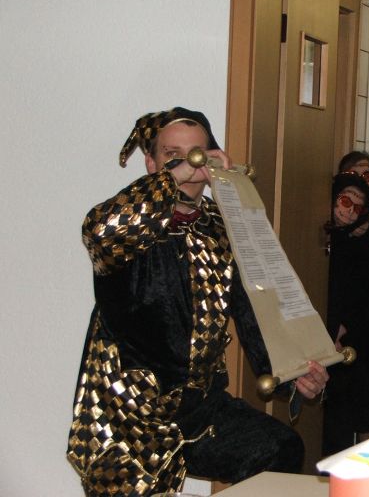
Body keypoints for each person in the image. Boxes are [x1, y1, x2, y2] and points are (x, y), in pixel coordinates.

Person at [67, 107, 329, 496]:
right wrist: (172, 178)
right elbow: (99, 231)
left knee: (280, 449)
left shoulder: (222, 228)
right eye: (172, 155)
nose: (189, 164)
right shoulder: (126, 230)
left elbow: (255, 313)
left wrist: (296, 375)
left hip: (200, 411)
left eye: (198, 154)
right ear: (151, 163)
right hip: (126, 418)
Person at [322, 160, 369, 455]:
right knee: (338, 405)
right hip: (335, 324)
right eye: (354, 174)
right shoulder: (326, 226)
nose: (361, 181)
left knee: (368, 399)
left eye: (367, 175)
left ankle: (368, 467)